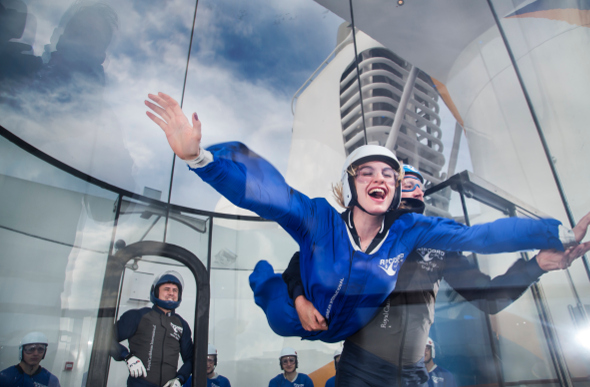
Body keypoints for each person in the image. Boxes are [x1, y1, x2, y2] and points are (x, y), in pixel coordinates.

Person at [145, 92, 590, 344]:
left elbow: (481, 239)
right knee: (274, 297)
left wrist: (552, 236)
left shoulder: (421, 235)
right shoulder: (322, 220)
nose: (390, 182)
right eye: (369, 173)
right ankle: (262, 282)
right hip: (321, 331)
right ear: (353, 184)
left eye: (395, 177)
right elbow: (271, 198)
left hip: (395, 356)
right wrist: (201, 159)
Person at [286, 165, 590, 386]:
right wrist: (300, 299)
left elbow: (488, 298)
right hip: (362, 370)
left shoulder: (439, 244)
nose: (414, 187)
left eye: (418, 182)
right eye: (405, 181)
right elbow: (300, 261)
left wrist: (537, 264)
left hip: (413, 374)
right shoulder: (357, 229)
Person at [111, 270, 193, 387]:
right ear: (155, 291)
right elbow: (104, 340)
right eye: (166, 289)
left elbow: (191, 358)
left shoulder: (181, 324)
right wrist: (126, 356)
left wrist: (180, 379)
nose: (171, 293)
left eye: (175, 290)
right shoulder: (138, 316)